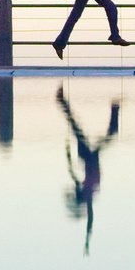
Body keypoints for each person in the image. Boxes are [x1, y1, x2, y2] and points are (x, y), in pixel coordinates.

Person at [55, 84, 120, 255]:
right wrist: (87, 241)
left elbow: (71, 171)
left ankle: (62, 101)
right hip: (91, 158)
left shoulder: (85, 192)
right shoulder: (88, 196)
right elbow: (90, 219)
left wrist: (68, 154)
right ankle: (62, 101)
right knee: (78, 128)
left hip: (89, 158)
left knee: (78, 128)